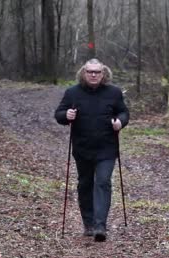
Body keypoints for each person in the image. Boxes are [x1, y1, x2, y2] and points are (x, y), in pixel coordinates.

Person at [54, 59, 130, 242]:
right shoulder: (72, 92)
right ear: (83, 73)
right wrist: (67, 115)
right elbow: (59, 114)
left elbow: (124, 112)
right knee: (85, 184)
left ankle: (100, 225)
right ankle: (88, 223)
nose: (93, 75)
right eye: (90, 72)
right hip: (83, 148)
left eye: (97, 72)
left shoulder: (114, 92)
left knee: (103, 182)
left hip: (107, 148)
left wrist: (120, 122)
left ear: (103, 74)